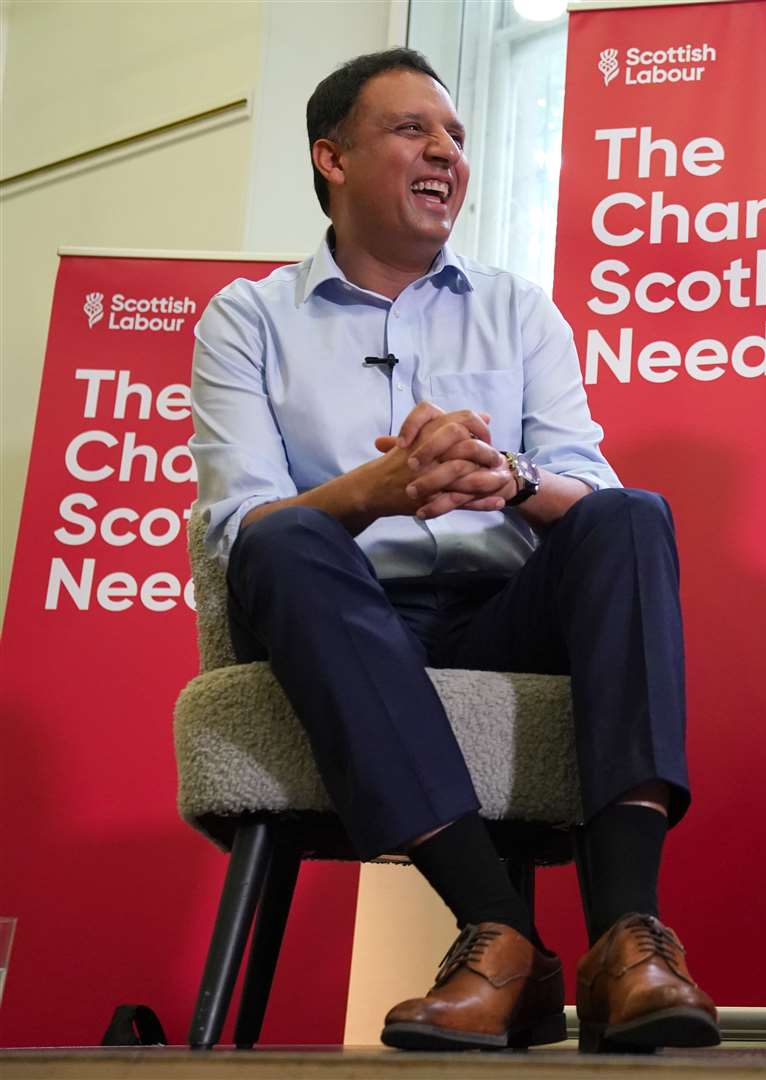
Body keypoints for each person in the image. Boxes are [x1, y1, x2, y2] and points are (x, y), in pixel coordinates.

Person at [190, 49, 719, 1054]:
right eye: (412, 131)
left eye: (458, 137)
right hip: (344, 611)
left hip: (501, 609)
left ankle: (626, 942)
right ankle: (500, 932)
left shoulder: (518, 307)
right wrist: (374, 492)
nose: (445, 152)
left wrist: (507, 480)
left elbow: (588, 487)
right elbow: (236, 523)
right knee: (287, 536)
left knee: (631, 516)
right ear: (331, 158)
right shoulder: (248, 318)